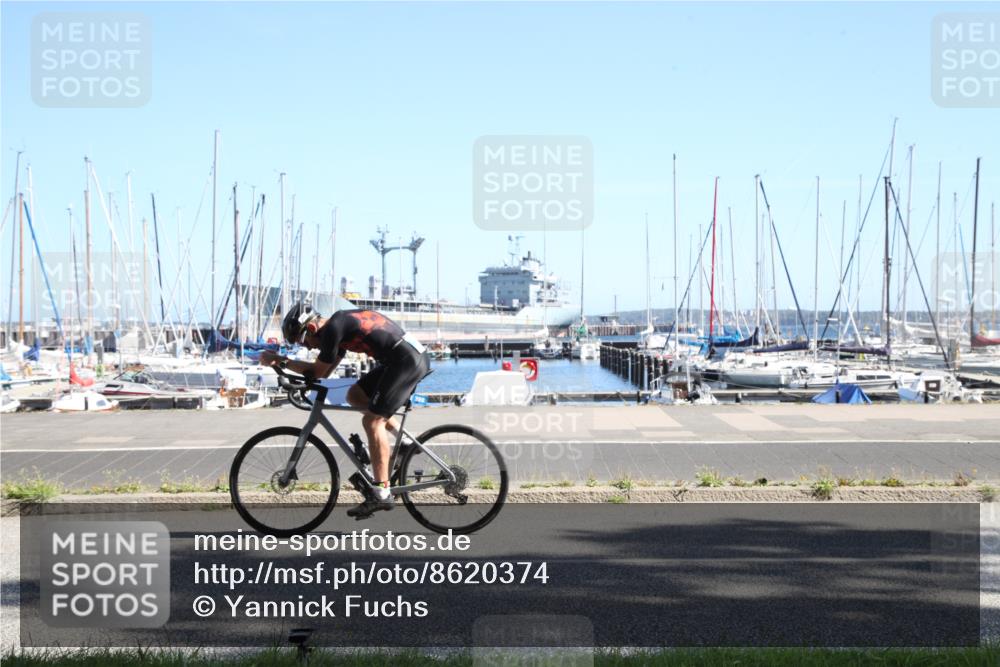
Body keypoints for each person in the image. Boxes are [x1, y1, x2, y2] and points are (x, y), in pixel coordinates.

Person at [260, 302, 430, 519]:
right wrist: (293, 370)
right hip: (400, 359)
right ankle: (404, 444)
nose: (309, 347)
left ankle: (381, 492)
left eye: (303, 341)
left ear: (311, 329)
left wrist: (282, 360)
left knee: (372, 422)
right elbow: (323, 374)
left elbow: (316, 369)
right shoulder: (337, 328)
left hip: (406, 361)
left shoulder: (333, 329)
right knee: (355, 396)